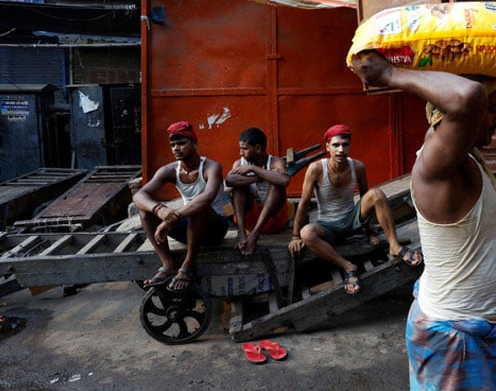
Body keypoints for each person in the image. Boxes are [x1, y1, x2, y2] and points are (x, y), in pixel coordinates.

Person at [349, 51, 496, 391]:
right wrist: (390, 74)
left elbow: (469, 100)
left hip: (464, 332)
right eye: (492, 108)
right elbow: (468, 96)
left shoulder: (462, 161)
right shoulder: (437, 170)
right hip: (454, 338)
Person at [287, 123, 422, 295]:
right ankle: (347, 266)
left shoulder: (357, 166)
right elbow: (304, 203)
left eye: (345, 145)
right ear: (328, 147)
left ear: (350, 146)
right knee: (307, 233)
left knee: (377, 194)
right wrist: (295, 235)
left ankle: (394, 246)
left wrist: (370, 228)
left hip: (352, 219)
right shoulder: (316, 169)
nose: (341, 150)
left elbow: (367, 197)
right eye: (336, 145)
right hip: (327, 225)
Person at [133, 121, 230, 292]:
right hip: (191, 229)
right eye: (173, 145)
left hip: (214, 229)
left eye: (182, 143)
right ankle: (168, 264)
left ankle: (188, 265)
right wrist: (160, 211)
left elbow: (206, 198)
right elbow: (139, 195)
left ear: (194, 144)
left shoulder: (211, 167)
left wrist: (172, 218)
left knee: (197, 208)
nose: (176, 148)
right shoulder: (169, 170)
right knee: (145, 211)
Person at [226, 127, 290, 255]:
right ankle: (241, 232)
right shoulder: (239, 163)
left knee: (276, 184)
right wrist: (257, 178)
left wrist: (253, 168)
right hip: (249, 222)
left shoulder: (274, 162)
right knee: (238, 187)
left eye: (245, 149)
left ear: (258, 149)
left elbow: (284, 181)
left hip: (273, 222)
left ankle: (255, 234)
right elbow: (229, 180)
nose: (241, 153)